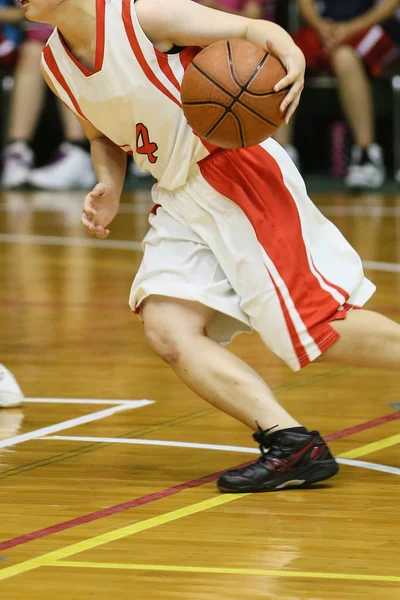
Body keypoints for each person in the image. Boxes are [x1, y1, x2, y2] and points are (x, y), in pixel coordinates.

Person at [23, 0, 400, 494]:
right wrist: (109, 185)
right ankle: (291, 445)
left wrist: (291, 57)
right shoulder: (54, 62)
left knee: (317, 328)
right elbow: (104, 138)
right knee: (168, 327)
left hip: (233, 169)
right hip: (176, 191)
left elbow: (254, 28)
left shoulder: (141, 16)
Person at [275, 0, 400, 188]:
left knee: (344, 58)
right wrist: (321, 27)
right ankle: (281, 157)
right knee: (285, 58)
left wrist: (349, 29)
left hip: (374, 29)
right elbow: (304, 3)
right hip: (325, 30)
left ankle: (366, 156)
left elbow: (390, 5)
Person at [1, 6, 95, 190]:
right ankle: (17, 153)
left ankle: (78, 153)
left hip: (65, 29)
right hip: (22, 35)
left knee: (59, 44)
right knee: (36, 49)